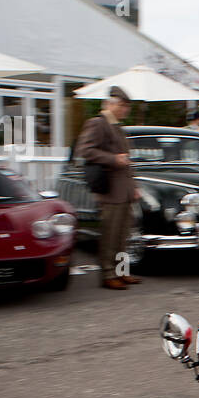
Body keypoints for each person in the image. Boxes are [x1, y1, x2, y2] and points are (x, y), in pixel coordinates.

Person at [77, 86, 139, 290]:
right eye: (122, 105)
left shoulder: (116, 126)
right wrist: (113, 159)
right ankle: (108, 274)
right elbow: (85, 150)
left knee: (122, 235)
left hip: (123, 191)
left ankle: (121, 271)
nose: (125, 110)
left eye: (126, 106)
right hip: (110, 190)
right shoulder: (98, 123)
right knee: (110, 235)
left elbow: (126, 163)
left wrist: (133, 188)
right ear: (110, 104)